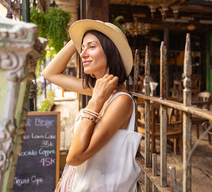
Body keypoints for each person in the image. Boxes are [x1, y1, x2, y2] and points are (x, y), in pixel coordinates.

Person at [42, 19, 141, 192]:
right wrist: (77, 38)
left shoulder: (121, 100)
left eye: (92, 47)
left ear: (111, 52)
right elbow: (49, 73)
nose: (82, 54)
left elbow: (74, 157)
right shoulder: (99, 89)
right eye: (82, 48)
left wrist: (95, 101)